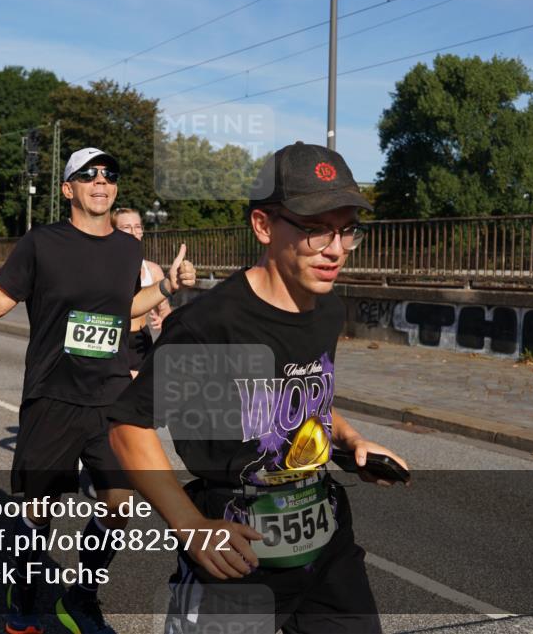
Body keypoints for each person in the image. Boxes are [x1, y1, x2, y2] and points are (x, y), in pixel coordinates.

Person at [108, 142, 409, 633]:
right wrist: (191, 528)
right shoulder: (211, 324)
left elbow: (305, 399)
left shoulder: (327, 308)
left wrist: (351, 440)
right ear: (264, 226)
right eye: (316, 230)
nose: (335, 249)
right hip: (237, 556)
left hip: (327, 548)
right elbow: (128, 426)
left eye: (346, 230)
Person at [0, 147, 195, 634]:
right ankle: (23, 594)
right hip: (52, 394)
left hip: (110, 395)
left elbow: (123, 308)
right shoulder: (41, 243)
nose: (101, 182)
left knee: (119, 504)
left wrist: (166, 287)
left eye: (109, 174)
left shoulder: (127, 249)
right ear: (68, 189)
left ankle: (80, 597)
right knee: (39, 511)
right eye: (89, 175)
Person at [111, 208, 172, 377]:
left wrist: (164, 320)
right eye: (126, 227)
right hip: (114, 339)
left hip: (140, 340)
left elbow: (165, 310)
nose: (133, 232)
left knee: (140, 389)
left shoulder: (153, 270)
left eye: (137, 227)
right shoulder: (105, 268)